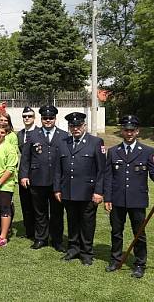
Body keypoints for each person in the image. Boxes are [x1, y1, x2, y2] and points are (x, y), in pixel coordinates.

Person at [104, 115, 154, 278]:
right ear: (122, 131)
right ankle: (115, 260)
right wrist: (107, 198)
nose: (129, 133)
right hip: (117, 199)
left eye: (132, 130)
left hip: (137, 199)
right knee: (116, 232)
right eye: (126, 130)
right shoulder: (113, 151)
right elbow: (108, 177)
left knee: (139, 233)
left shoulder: (147, 151)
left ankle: (140, 264)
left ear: (137, 131)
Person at [53, 112, 106, 265]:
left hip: (88, 192)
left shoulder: (96, 142)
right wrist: (57, 189)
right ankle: (73, 249)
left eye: (78, 126)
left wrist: (98, 191)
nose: (75, 129)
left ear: (84, 126)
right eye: (72, 126)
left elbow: (101, 170)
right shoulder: (63, 143)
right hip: (68, 190)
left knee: (87, 223)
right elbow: (58, 169)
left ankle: (86, 252)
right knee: (72, 221)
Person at [20, 106, 68, 252]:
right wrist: (24, 175)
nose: (48, 121)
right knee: (39, 212)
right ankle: (41, 238)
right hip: (37, 179)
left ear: (55, 119)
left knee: (57, 213)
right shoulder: (33, 134)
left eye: (51, 118)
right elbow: (26, 157)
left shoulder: (64, 135)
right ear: (41, 119)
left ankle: (57, 240)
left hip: (56, 181)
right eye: (45, 118)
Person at [17, 106, 37, 240]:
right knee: (25, 204)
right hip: (23, 173)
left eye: (29, 116)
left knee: (37, 205)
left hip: (36, 174)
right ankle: (29, 230)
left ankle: (38, 231)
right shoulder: (19, 134)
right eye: (25, 116)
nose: (27, 118)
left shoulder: (39, 133)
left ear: (34, 118)